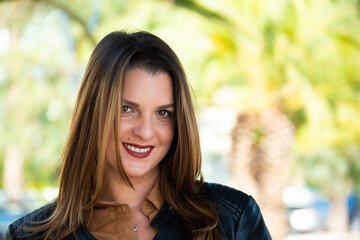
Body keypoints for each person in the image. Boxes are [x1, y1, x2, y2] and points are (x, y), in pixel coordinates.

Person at [6, 31, 271, 240]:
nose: (145, 132)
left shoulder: (233, 220)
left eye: (163, 113)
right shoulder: (31, 235)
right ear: (93, 113)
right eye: (127, 109)